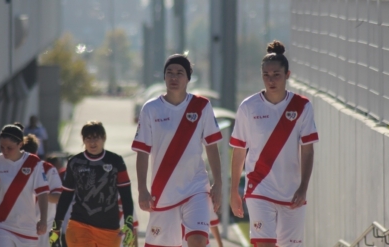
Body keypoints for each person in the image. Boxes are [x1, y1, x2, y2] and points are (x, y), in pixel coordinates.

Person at [229, 40, 319, 247]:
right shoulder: (248, 107)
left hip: (292, 193)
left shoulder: (302, 106)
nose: (271, 80)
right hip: (259, 189)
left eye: (276, 75)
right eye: (266, 75)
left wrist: (303, 187)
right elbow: (239, 150)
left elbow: (307, 151)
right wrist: (234, 190)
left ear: (287, 75)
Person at [132, 54, 223, 247]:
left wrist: (218, 183)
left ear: (188, 78)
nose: (174, 77)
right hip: (164, 191)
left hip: (196, 187)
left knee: (198, 240)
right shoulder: (151, 109)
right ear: (164, 77)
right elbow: (142, 152)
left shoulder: (201, 106)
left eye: (179, 73)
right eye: (170, 73)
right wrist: (142, 189)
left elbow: (212, 147)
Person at [53, 121, 134, 247]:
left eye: (96, 138)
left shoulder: (116, 161)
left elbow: (126, 195)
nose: (92, 143)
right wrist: (56, 226)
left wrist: (129, 223)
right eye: (88, 138)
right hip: (79, 224)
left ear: (104, 138)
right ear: (83, 140)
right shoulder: (74, 162)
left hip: (109, 227)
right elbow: (66, 196)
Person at [0, 124, 49, 247]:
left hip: (27, 227)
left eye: (9, 148)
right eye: (2, 147)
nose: (5, 151)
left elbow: (42, 193)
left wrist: (43, 219)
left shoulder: (33, 162)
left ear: (20, 144)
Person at [22, 134, 63, 247]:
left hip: (43, 227)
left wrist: (42, 193)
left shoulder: (48, 169)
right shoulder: (13, 168)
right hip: (19, 224)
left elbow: (58, 197)